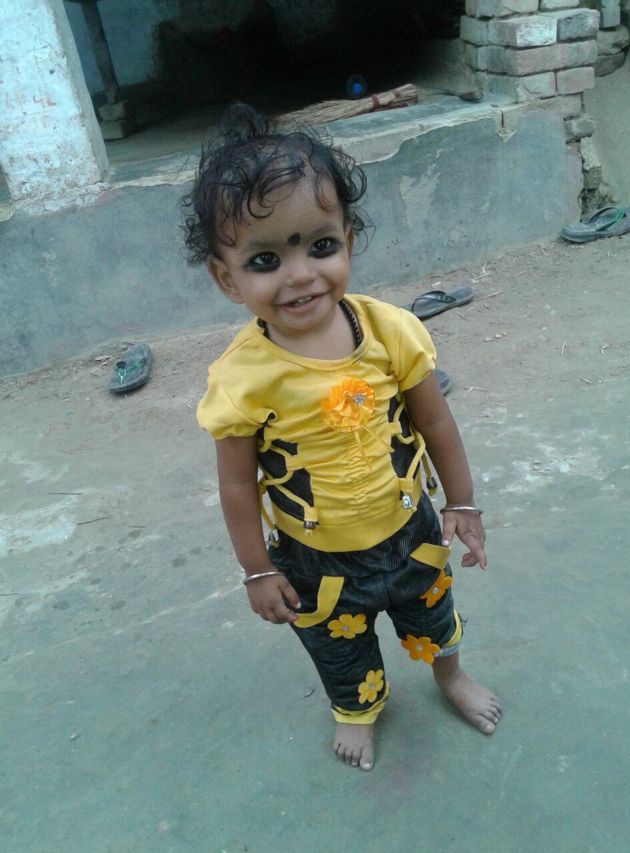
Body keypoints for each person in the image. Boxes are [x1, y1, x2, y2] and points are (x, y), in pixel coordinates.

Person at [186, 106, 502, 771]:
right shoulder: (242, 378)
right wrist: (257, 569)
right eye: (266, 259)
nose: (300, 274)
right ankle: (357, 710)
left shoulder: (391, 332)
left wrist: (463, 502)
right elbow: (237, 483)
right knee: (339, 650)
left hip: (409, 530)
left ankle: (450, 676)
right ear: (227, 278)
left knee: (435, 618)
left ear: (349, 242)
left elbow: (435, 422)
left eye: (320, 246)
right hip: (314, 560)